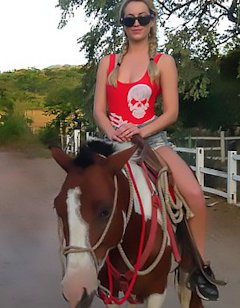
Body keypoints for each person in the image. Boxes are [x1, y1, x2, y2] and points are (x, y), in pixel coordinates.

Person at [93, 0, 219, 301]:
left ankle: (198, 267)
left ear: (152, 21)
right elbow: (99, 110)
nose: (136, 23)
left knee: (194, 195)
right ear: (121, 24)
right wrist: (111, 132)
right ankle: (86, 268)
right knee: (83, 195)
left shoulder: (163, 62)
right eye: (129, 19)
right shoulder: (107, 62)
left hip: (153, 142)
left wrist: (141, 131)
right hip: (115, 143)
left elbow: (171, 113)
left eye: (142, 17)